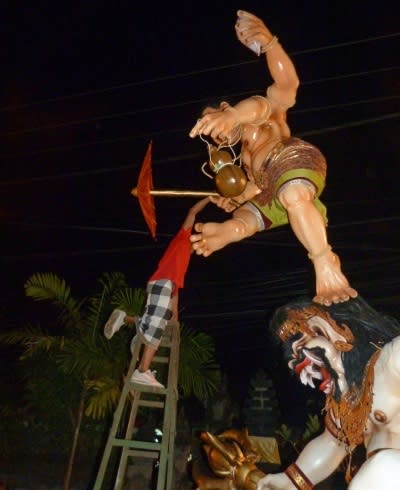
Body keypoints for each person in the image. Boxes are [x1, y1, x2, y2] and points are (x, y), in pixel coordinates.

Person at [189, 10, 357, 307]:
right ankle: (230, 232)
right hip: (275, 188)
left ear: (225, 107)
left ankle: (324, 260)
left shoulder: (262, 116)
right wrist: (238, 201)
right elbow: (259, 194)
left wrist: (269, 44)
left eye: (213, 122)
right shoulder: (242, 159)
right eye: (213, 132)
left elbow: (284, 87)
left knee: (291, 193)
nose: (216, 135)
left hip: (293, 160)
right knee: (249, 216)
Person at [256, 296, 400, 490]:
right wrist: (290, 482)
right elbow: (332, 444)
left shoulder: (391, 362)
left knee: (383, 467)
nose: (306, 373)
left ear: (334, 329)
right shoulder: (346, 403)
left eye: (303, 350)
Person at [104, 197, 210, 388]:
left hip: (162, 286)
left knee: (153, 321)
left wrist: (175, 315)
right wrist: (210, 198)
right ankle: (142, 371)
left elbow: (175, 290)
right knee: (155, 328)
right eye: (200, 243)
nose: (200, 247)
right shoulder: (183, 237)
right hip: (162, 284)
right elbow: (192, 212)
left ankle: (124, 318)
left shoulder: (183, 262)